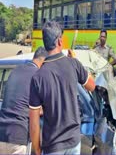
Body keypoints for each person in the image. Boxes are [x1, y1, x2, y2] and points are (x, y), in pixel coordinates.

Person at [29, 21, 96, 155]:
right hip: (74, 141)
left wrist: (37, 150)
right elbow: (92, 86)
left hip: (52, 146)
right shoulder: (73, 64)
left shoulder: (38, 77)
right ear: (60, 41)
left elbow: (34, 121)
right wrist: (76, 62)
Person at [0, 47, 48, 154]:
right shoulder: (39, 77)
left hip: (1, 132)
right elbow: (37, 110)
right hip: (18, 136)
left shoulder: (15, 71)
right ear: (44, 61)